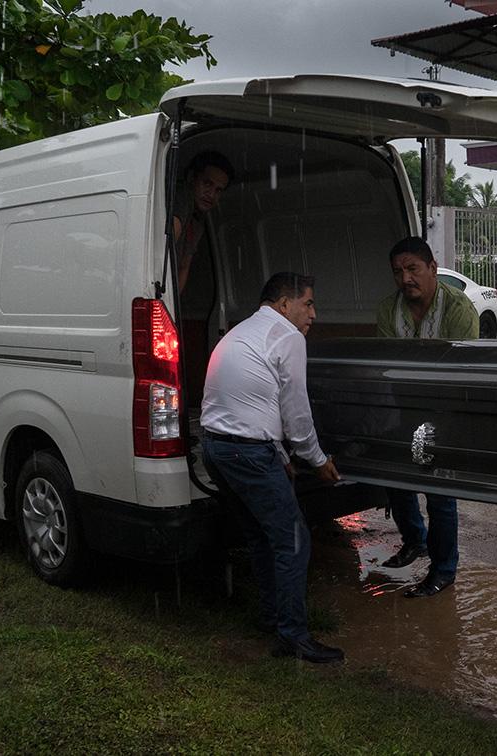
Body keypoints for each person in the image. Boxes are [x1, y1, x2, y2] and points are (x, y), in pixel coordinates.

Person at [200, 272, 343, 664]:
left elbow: (255, 402)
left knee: (262, 536)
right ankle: (293, 636)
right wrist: (318, 461)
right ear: (284, 304)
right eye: (308, 303)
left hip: (216, 448)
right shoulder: (287, 336)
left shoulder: (243, 331)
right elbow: (296, 412)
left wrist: (280, 457)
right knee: (294, 541)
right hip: (246, 452)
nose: (314, 313)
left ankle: (272, 618)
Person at [376, 236, 478, 598]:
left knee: (439, 492)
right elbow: (388, 364)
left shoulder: (458, 308)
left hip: (444, 410)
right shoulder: (388, 309)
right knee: (396, 480)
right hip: (402, 408)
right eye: (398, 272)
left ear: (433, 269)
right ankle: (414, 541)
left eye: (413, 269)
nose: (406, 279)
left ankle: (443, 570)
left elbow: (459, 369)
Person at [173, 151, 234, 294]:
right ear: (191, 178)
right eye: (207, 184)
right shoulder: (182, 197)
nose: (211, 194)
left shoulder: (199, 218)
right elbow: (165, 244)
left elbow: (184, 265)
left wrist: (172, 302)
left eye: (218, 190)